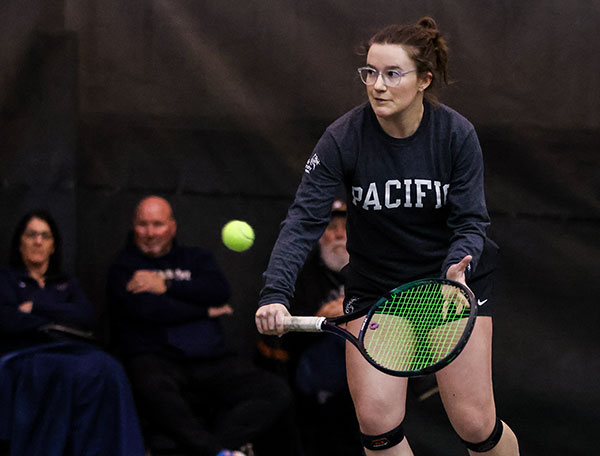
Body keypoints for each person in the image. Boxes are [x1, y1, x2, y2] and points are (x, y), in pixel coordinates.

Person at [255, 17, 519, 456]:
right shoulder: (342, 138)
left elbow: (471, 221)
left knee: (475, 423)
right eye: (370, 72)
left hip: (449, 285)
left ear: (424, 80)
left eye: (392, 73)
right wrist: (275, 294)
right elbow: (303, 220)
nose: (377, 85)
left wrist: (458, 271)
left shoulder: (456, 134)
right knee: (377, 423)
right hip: (378, 287)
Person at [107, 195, 293, 456]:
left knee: (275, 391)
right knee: (155, 394)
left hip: (209, 358)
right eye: (143, 224)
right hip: (156, 358)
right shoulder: (125, 268)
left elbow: (218, 290)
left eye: (157, 224)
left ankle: (213, 448)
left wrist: (167, 286)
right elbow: (146, 311)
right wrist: (203, 310)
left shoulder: (196, 258)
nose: (150, 233)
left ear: (172, 226)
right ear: (133, 226)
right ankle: (215, 451)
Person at [0, 210, 146, 456]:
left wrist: (37, 307)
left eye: (45, 236)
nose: (38, 241)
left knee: (109, 367)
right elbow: (8, 320)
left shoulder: (65, 282)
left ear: (53, 245)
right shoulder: (6, 279)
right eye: (31, 235)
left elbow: (85, 315)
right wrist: (53, 317)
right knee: (73, 373)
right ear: (20, 242)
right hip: (25, 353)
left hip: (72, 349)